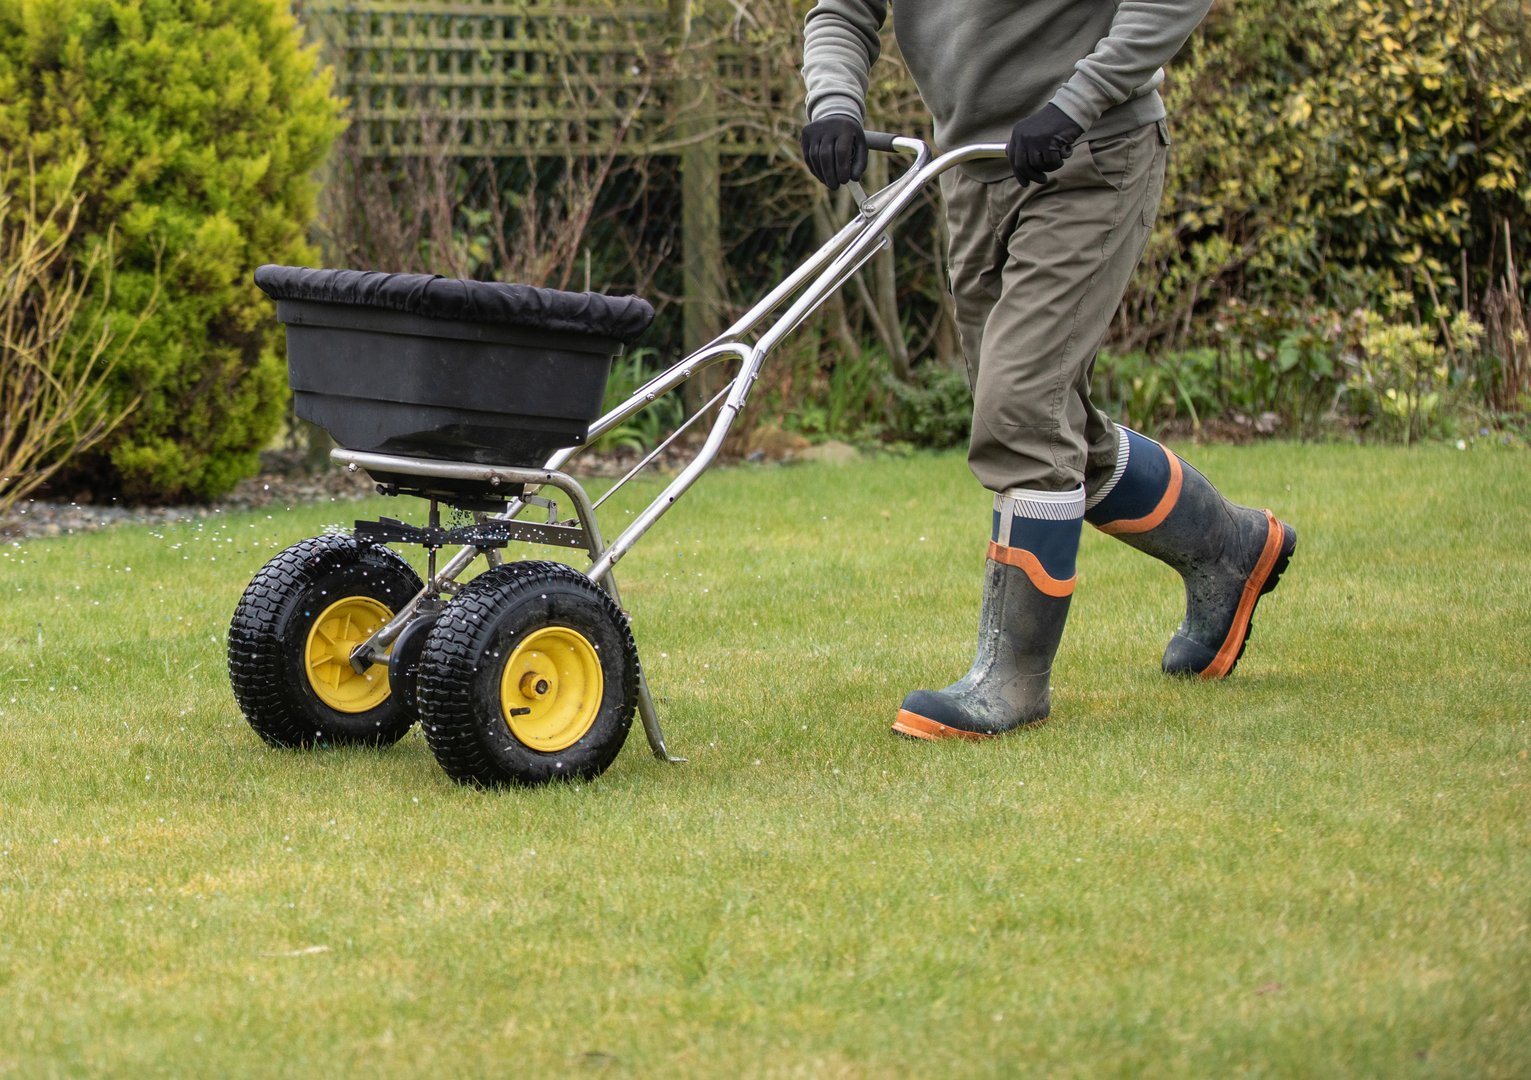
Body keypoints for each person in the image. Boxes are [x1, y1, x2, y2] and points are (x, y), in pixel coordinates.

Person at [800, 0, 1297, 741]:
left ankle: (1010, 681)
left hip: (1089, 151)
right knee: (1039, 420)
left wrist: (1077, 99)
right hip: (969, 169)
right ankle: (1227, 548)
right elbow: (843, 9)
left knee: (1021, 411)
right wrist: (834, 100)